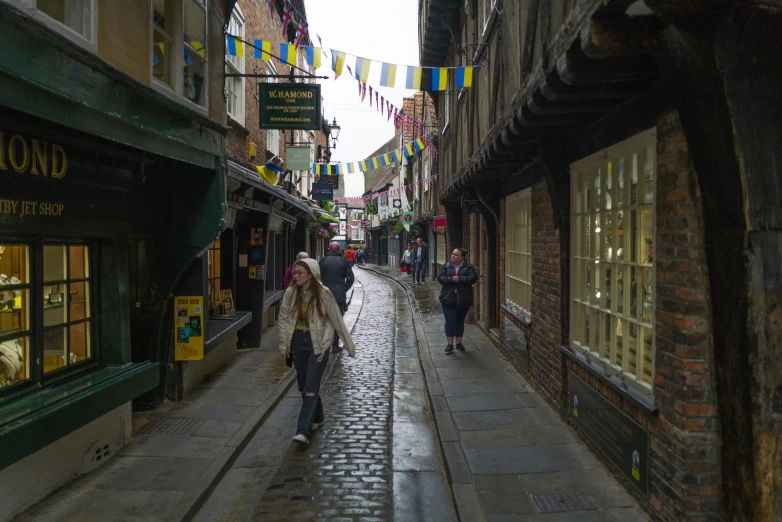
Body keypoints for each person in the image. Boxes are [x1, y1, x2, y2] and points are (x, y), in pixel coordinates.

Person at [278, 259, 356, 446]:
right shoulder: (290, 293)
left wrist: (349, 346)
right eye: (295, 273)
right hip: (297, 342)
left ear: (310, 274)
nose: (295, 276)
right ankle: (318, 416)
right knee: (304, 385)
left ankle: (302, 431)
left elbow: (337, 320)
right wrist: (284, 347)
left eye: (299, 273)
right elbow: (283, 319)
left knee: (311, 388)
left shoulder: (324, 294)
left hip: (318, 344)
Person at [437, 248, 478, 353]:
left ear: (462, 257)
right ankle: (449, 344)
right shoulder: (446, 266)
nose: (453, 256)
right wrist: (451, 279)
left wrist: (460, 279)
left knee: (459, 322)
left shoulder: (469, 267)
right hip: (448, 298)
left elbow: (473, 278)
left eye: (456, 254)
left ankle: (459, 343)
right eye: (452, 254)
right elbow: (440, 278)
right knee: (450, 321)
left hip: (463, 299)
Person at [319, 242, 354, 352]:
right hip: (339, 296)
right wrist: (344, 289)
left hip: (324, 294)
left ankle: (323, 344)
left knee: (324, 319)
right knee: (337, 320)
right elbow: (350, 278)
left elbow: (317, 276)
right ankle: (334, 345)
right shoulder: (343, 261)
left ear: (329, 249)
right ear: (339, 250)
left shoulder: (323, 261)